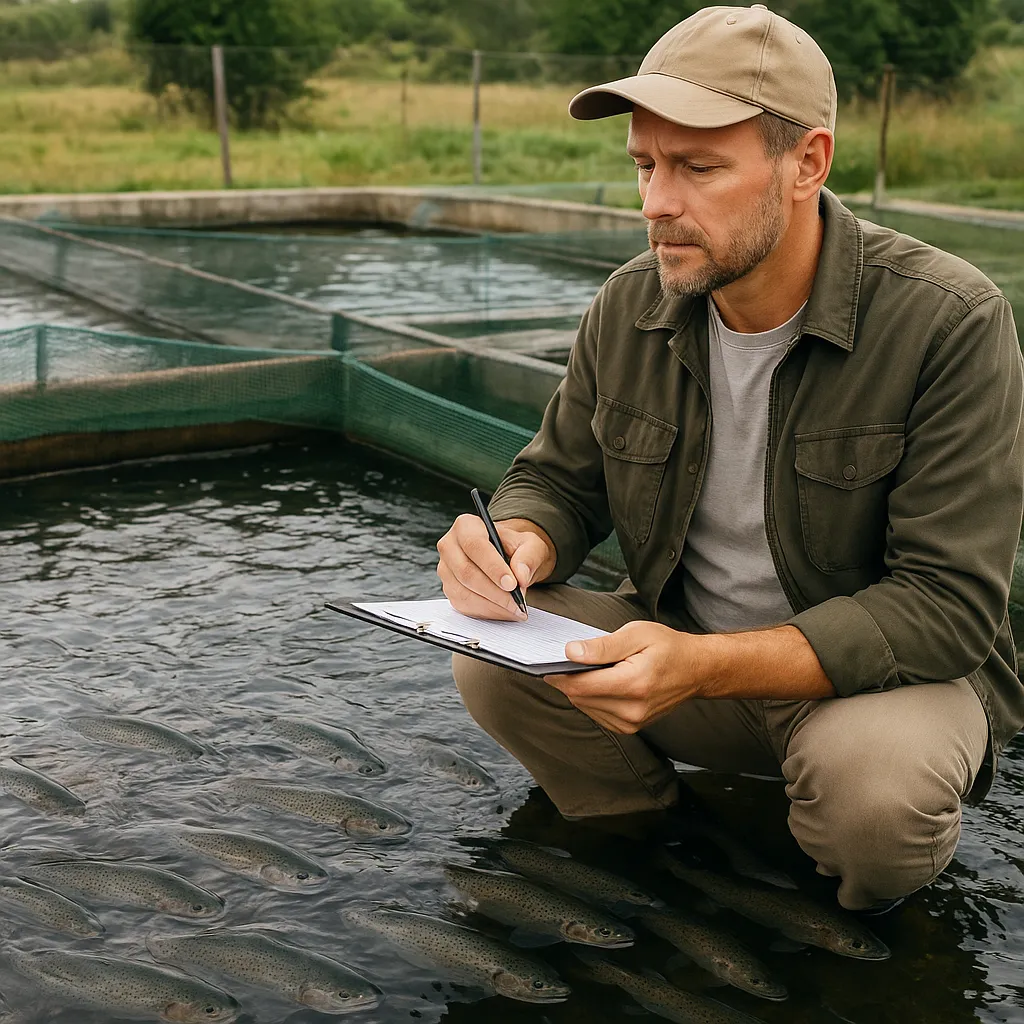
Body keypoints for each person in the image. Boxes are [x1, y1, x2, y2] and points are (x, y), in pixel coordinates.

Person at [435, 4, 1024, 912]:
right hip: (686, 653)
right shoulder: (630, 302)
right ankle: (649, 843)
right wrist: (515, 541)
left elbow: (947, 611)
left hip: (872, 694)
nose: (655, 203)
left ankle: (865, 938)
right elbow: (556, 480)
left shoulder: (950, 320)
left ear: (807, 163)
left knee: (874, 801)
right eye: (644, 164)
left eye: (699, 168)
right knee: (490, 650)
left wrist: (702, 666)